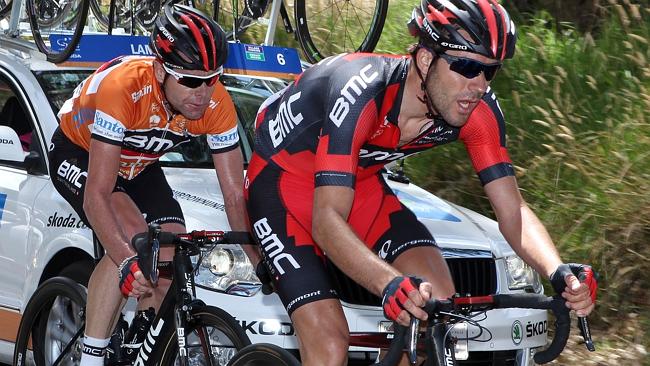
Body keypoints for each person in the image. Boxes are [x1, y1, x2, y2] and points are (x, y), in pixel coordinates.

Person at [244, 0, 598, 364]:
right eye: (465, 66)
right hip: (282, 188)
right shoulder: (362, 91)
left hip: (358, 186)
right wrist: (388, 284)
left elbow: (513, 210)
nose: (477, 86)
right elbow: (326, 220)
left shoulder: (478, 112)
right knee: (330, 341)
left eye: (489, 72)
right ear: (426, 60)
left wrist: (558, 272)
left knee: (437, 303)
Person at [49, 4, 256, 365]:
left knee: (169, 251)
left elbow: (234, 195)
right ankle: (92, 357)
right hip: (80, 151)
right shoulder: (124, 88)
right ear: (160, 70)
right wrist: (128, 260)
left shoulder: (216, 103)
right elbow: (97, 196)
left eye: (213, 78)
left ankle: (140, 346)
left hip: (139, 164)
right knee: (133, 239)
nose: (203, 93)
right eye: (191, 80)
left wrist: (257, 257)